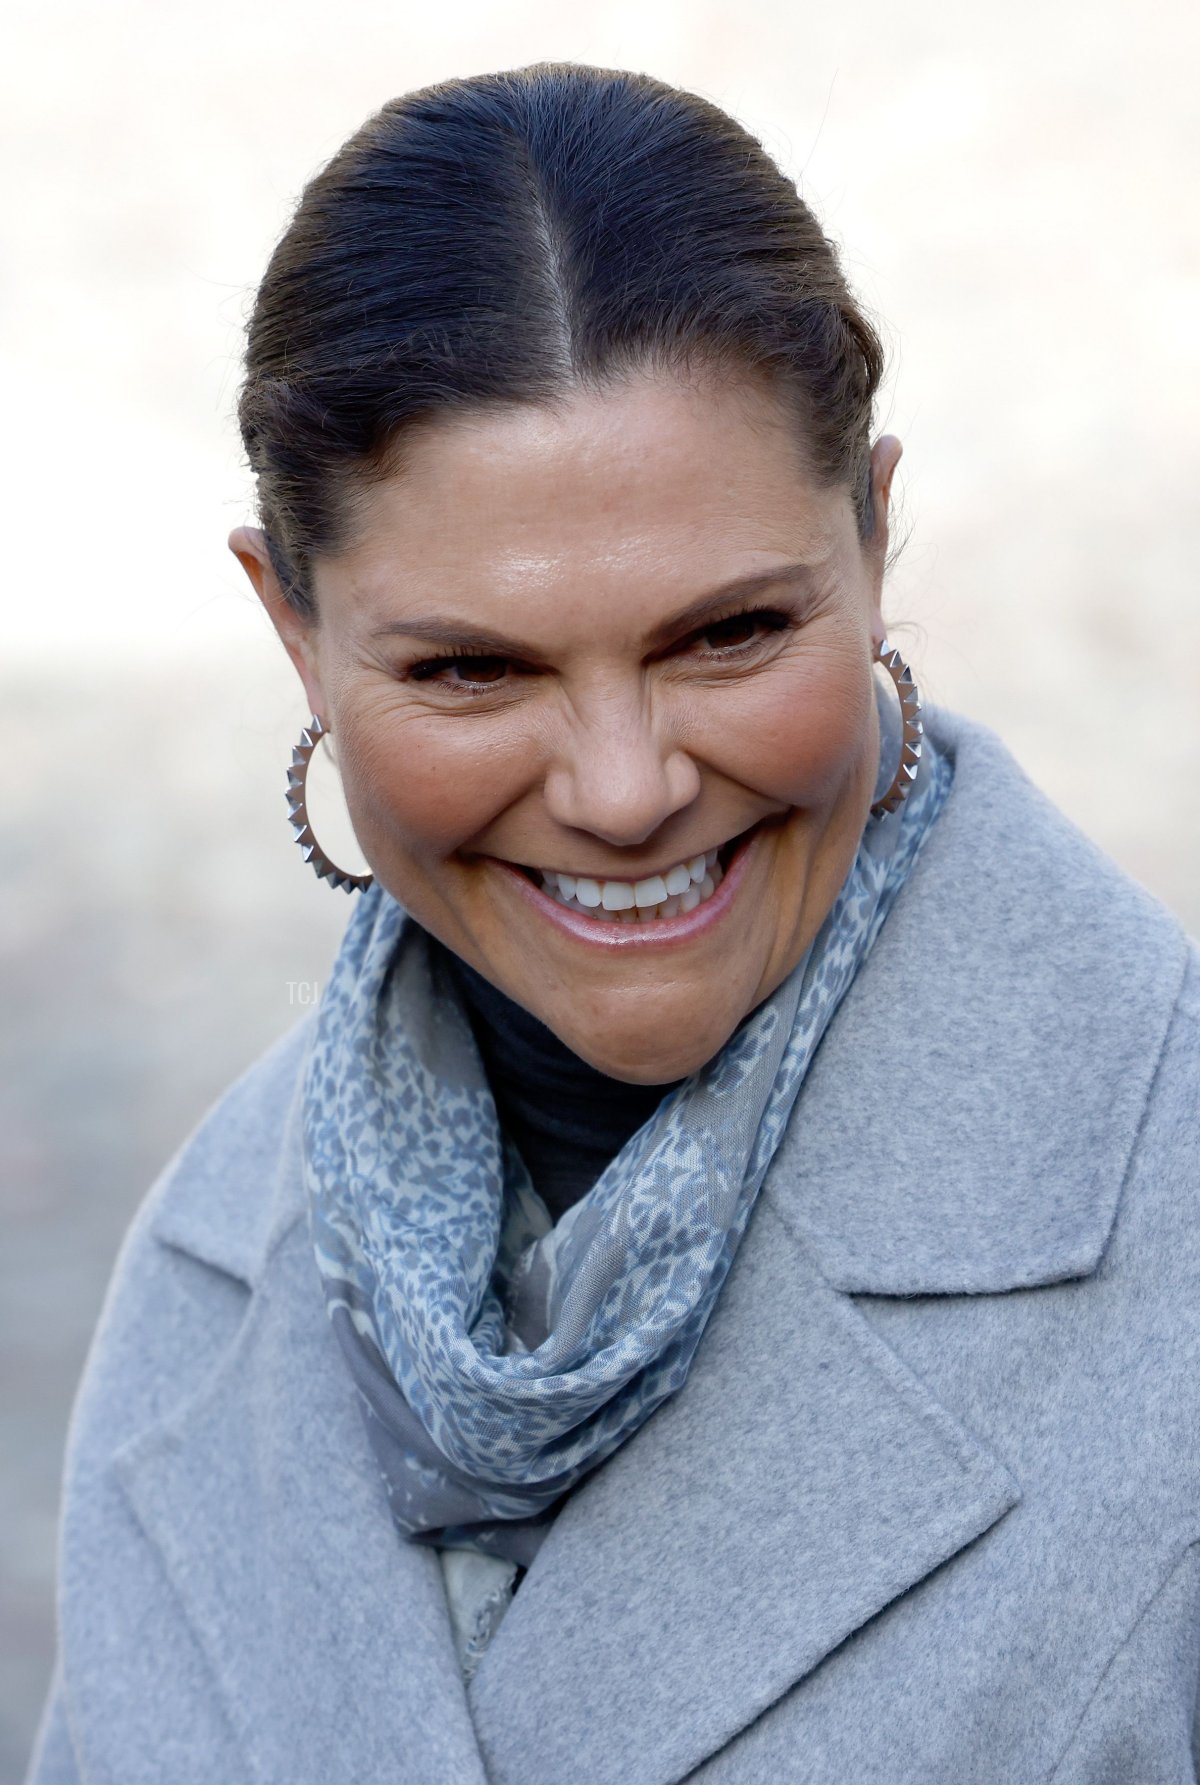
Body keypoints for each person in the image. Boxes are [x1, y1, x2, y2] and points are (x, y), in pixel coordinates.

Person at [25, 62, 1200, 1785]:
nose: (626, 787)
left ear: (876, 538)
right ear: (294, 632)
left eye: (727, 635)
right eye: (471, 669)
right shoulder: (209, 1277)